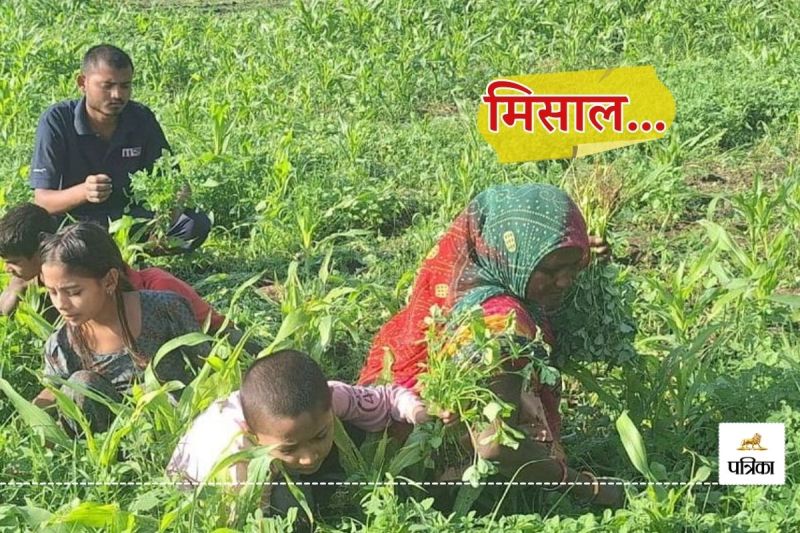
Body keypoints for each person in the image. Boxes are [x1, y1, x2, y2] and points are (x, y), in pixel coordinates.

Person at [358, 183, 623, 507]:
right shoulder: (500, 329)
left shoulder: (464, 268)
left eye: (573, 266)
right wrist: (585, 487)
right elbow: (495, 445)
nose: (566, 281)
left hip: (391, 410)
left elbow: (555, 269)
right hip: (424, 460)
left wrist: (578, 259)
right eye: (552, 270)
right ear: (509, 256)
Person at [168, 350, 449, 522]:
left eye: (319, 436)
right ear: (255, 436)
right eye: (290, 449)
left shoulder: (329, 396)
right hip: (200, 486)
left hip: (273, 458)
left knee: (358, 430)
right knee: (290, 513)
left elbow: (388, 398)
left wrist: (420, 414)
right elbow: (241, 521)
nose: (308, 457)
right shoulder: (236, 457)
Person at [0, 203, 261, 353]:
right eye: (55, 292)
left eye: (13, 263)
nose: (61, 302)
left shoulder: (159, 293)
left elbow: (207, 342)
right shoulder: (49, 294)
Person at [32, 222, 209, 435]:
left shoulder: (164, 309)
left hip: (174, 430)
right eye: (52, 292)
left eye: (74, 292)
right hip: (108, 448)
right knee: (81, 383)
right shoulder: (61, 345)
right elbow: (54, 393)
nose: (61, 304)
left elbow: (208, 366)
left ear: (110, 280)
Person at [28, 44, 210, 251]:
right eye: (107, 86)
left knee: (195, 223)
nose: (117, 94)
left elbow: (175, 181)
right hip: (74, 225)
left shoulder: (141, 118)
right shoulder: (57, 120)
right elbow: (42, 201)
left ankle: (134, 256)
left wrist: (170, 210)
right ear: (82, 83)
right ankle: (87, 260)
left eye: (125, 86)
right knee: (29, 227)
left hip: (130, 221)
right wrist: (84, 192)